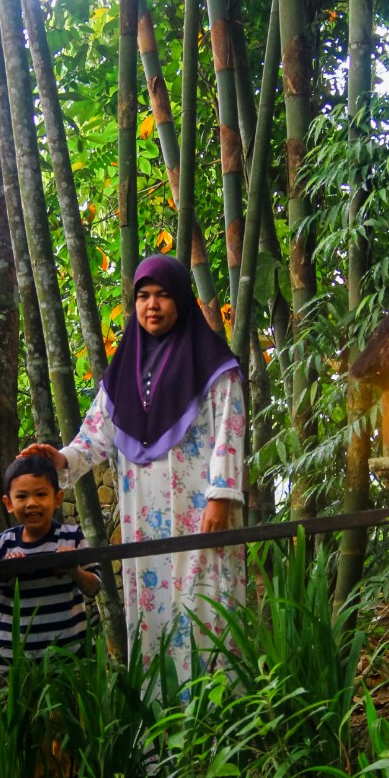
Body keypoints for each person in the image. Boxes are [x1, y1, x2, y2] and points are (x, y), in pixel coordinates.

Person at [21, 254, 247, 689]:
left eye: (163, 295)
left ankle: (219, 731)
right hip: (144, 516)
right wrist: (60, 459)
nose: (152, 306)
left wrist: (222, 493)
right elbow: (97, 435)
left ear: (181, 299)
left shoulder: (216, 366)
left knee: (205, 608)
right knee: (154, 615)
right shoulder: (124, 368)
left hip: (202, 508)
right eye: (143, 296)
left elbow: (230, 429)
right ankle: (161, 743)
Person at [0, 453, 99, 673]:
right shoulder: (3, 545)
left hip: (71, 657)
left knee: (73, 707)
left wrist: (75, 570)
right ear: (9, 503)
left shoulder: (72, 537)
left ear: (57, 498)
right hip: (18, 661)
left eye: (41, 494)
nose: (32, 503)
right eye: (22, 496)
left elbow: (94, 586)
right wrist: (5, 571)